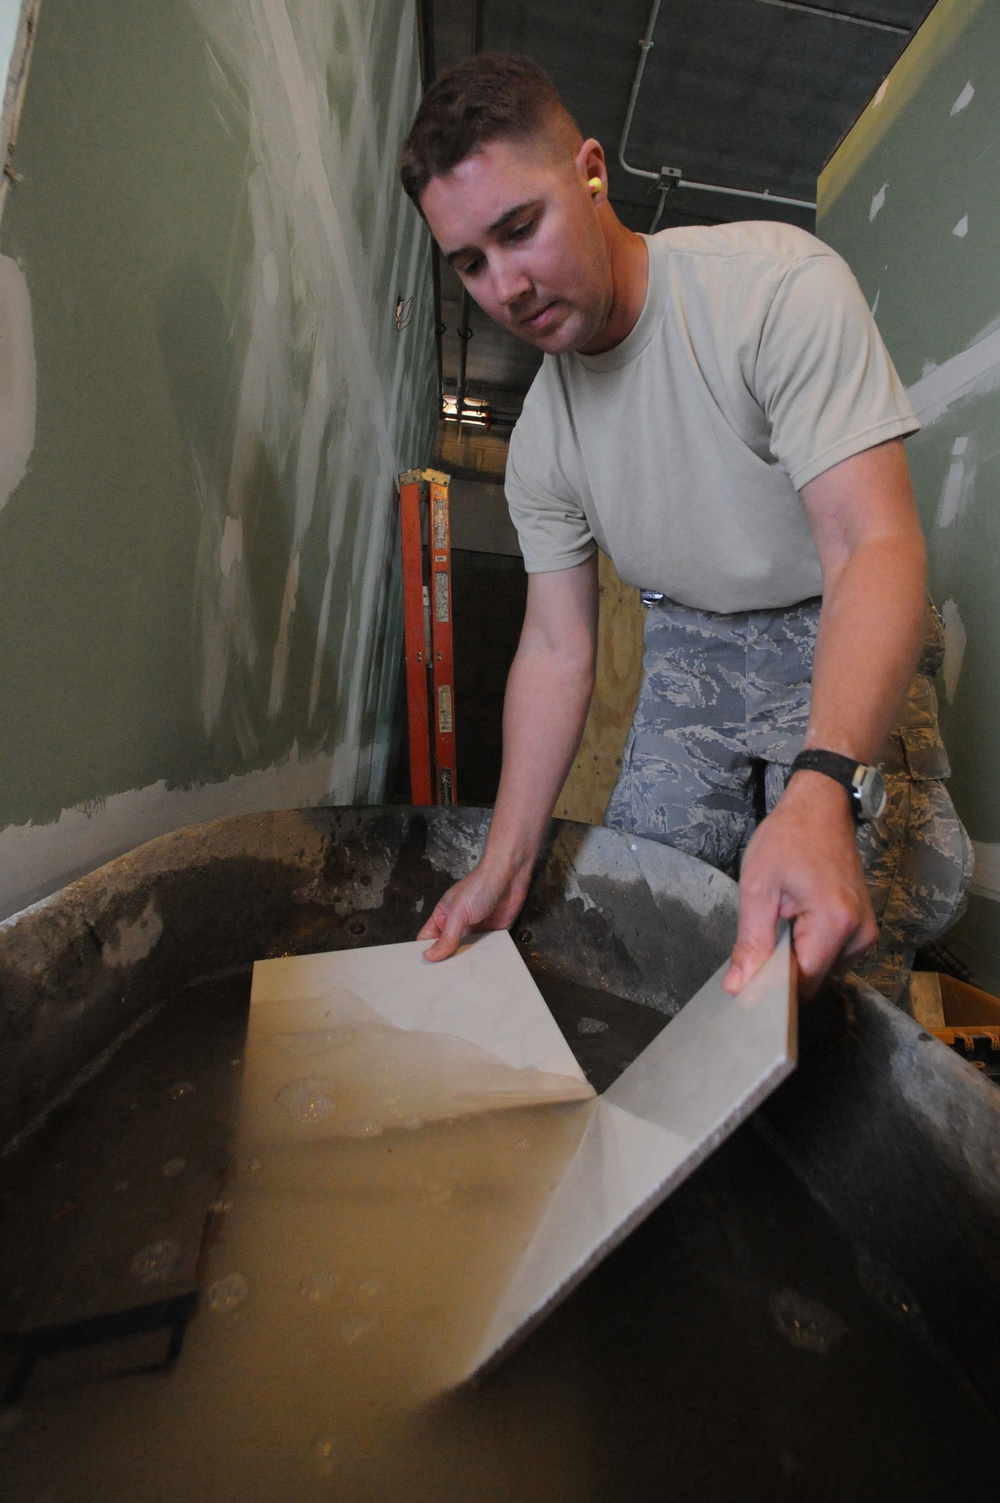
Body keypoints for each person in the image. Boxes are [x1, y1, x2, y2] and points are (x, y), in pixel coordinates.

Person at [399, 53, 972, 1000]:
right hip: (688, 636)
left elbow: (872, 544)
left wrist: (822, 783)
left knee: (844, 942)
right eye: (470, 261)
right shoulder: (545, 432)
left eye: (520, 228)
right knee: (651, 913)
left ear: (590, 172)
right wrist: (504, 857)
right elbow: (554, 643)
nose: (505, 284)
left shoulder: (774, 294)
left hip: (826, 617)